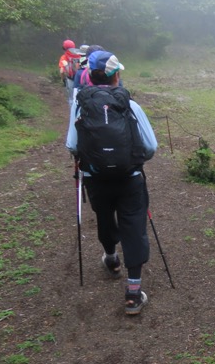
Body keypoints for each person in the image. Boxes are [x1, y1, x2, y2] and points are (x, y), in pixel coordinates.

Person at [65, 50, 159, 315]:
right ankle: (132, 293)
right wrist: (133, 160)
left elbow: (72, 145)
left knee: (105, 218)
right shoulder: (130, 104)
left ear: (89, 77)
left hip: (96, 178)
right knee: (134, 226)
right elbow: (150, 146)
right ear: (116, 75)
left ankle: (111, 258)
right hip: (130, 178)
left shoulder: (80, 104)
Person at [58, 39, 81, 107]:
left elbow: (62, 71)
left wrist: (63, 80)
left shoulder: (64, 57)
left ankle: (73, 115)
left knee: (71, 98)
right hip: (80, 79)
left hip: (70, 79)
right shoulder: (79, 55)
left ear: (64, 48)